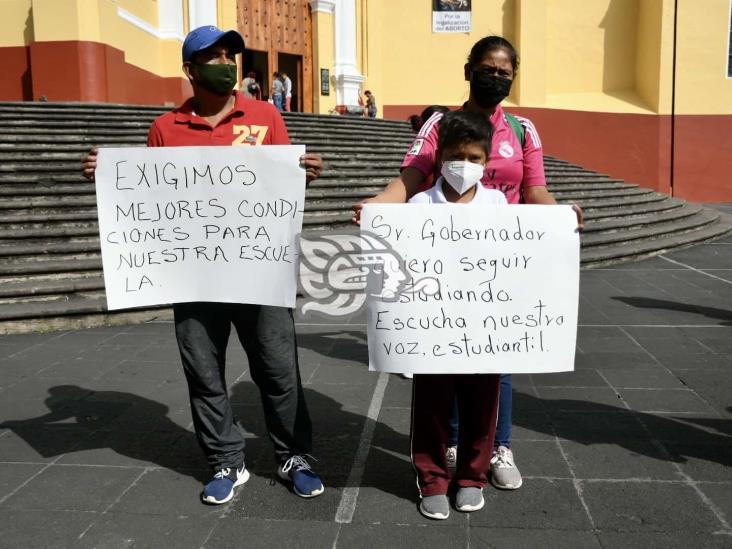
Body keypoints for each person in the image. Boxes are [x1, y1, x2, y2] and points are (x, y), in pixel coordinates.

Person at [81, 25, 326, 505]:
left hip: (258, 274)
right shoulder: (165, 128)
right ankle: (225, 461)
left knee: (279, 372)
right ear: (190, 70)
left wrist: (304, 176)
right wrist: (107, 175)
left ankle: (294, 456)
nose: (225, 63)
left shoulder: (266, 115)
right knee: (205, 374)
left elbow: (277, 193)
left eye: (229, 55)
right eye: (212, 56)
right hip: (194, 280)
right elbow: (149, 197)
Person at [352, 35, 585, 492]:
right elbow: (412, 177)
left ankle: (498, 447)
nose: (496, 77)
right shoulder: (440, 123)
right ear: (469, 69)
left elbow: (535, 190)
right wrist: (378, 206)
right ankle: (452, 447)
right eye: (488, 68)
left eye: (505, 71)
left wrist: (560, 216)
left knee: (497, 361)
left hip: (500, 262)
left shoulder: (522, 130)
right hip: (442, 261)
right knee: (445, 355)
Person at [410, 110, 507, 520]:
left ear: (486, 161)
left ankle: (471, 477)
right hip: (434, 327)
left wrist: (562, 224)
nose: (464, 165)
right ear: (440, 156)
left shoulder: (498, 203)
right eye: (456, 155)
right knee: (432, 406)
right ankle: (432, 479)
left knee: (482, 406)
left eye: (474, 157)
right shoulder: (418, 204)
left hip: (484, 325)